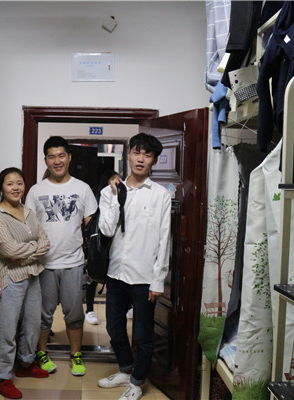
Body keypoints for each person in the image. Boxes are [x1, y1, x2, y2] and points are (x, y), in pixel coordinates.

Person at [97, 133, 171, 400]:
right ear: (128, 154)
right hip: (116, 272)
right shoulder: (110, 191)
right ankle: (126, 369)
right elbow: (106, 230)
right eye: (136, 152)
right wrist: (116, 197)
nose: (140, 159)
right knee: (114, 328)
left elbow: (164, 239)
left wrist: (158, 280)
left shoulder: (161, 195)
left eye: (147, 155)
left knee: (143, 334)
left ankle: (137, 382)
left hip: (144, 276)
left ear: (154, 161)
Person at [25, 136, 98, 376]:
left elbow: (92, 228)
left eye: (61, 155)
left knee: (74, 315)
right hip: (43, 265)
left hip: (74, 263)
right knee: (43, 316)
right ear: (46, 160)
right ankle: (42, 353)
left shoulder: (82, 189)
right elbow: (28, 228)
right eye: (51, 156)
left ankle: (76, 355)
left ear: (69, 157)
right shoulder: (36, 191)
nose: (57, 161)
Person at [0, 167, 51, 399]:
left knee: (32, 324)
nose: (15, 188)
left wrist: (25, 252)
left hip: (32, 274)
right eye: (9, 184)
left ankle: (25, 364)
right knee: (6, 328)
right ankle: (1, 376)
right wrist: (33, 248)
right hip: (9, 276)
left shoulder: (29, 212)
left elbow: (45, 242)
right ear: (1, 188)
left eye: (19, 183)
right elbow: (9, 251)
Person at [84, 170, 121, 326]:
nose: (117, 181)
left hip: (115, 242)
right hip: (100, 241)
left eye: (118, 178)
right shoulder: (101, 197)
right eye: (113, 179)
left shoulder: (122, 195)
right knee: (94, 275)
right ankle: (89, 309)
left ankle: (125, 307)